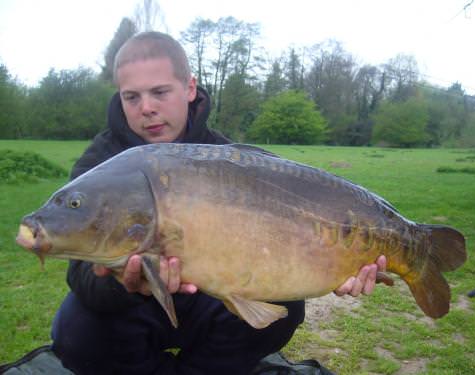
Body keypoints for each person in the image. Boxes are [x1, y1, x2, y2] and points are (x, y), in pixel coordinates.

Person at [50, 31, 387, 375]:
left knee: (284, 307)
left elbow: (291, 231)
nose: (147, 107)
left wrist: (343, 265)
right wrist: (124, 283)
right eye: (131, 97)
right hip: (135, 308)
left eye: (160, 92)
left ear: (190, 88)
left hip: (211, 302)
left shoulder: (227, 159)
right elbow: (81, 275)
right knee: (76, 328)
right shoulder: (101, 163)